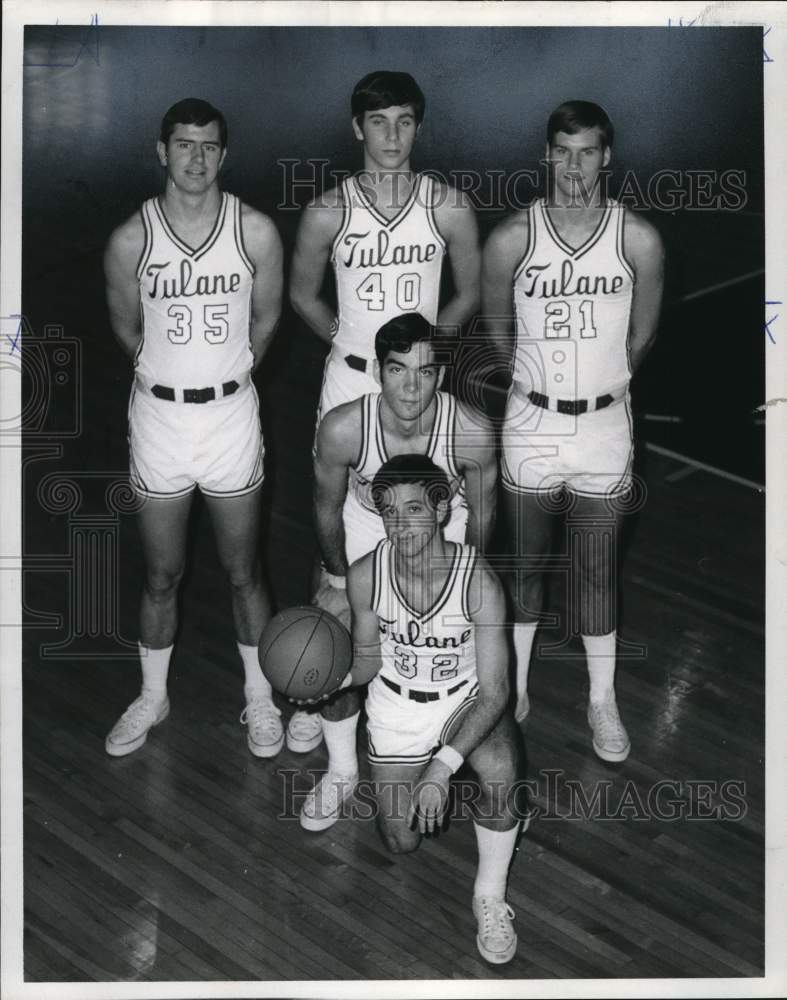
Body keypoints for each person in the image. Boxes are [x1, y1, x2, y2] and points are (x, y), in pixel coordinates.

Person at [287, 70, 481, 756]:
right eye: (378, 122)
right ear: (356, 128)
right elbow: (303, 295)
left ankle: (436, 676)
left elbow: (467, 293)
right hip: (349, 387)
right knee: (341, 532)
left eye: (403, 122)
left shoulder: (448, 206)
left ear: (418, 127)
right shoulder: (327, 212)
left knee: (431, 524)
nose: (391, 136)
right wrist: (353, 348)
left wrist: (421, 363)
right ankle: (318, 678)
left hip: (418, 391)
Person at [482, 100, 664, 760]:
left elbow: (642, 332)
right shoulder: (511, 238)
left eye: (587, 151)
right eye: (562, 150)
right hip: (531, 423)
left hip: (605, 428)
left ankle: (600, 700)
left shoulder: (636, 238)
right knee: (527, 567)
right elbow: (495, 328)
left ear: (606, 156)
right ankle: (515, 686)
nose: (574, 165)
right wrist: (535, 387)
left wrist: (600, 387)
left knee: (594, 570)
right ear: (546, 154)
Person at [103, 98, 285, 758]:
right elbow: (126, 327)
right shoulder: (131, 239)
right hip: (159, 419)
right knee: (161, 574)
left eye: (209, 146)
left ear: (224, 155)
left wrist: (225, 376)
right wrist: (170, 377)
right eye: (184, 145)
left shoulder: (255, 231)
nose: (196, 158)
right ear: (161, 151)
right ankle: (153, 696)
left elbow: (266, 322)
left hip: (231, 416)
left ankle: (260, 700)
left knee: (244, 572)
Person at [293, 312, 497, 832]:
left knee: (450, 647)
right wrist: (337, 581)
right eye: (398, 370)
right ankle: (342, 769)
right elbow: (324, 510)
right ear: (379, 372)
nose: (411, 386)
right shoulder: (343, 428)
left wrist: (464, 596)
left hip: (442, 537)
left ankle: (446, 737)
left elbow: (483, 524)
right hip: (367, 531)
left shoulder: (470, 432)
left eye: (426, 372)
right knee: (333, 628)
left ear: (442, 376)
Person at [343, 454, 523, 965]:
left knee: (503, 768)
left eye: (415, 509)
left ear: (442, 510)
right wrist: (330, 681)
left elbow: (495, 692)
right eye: (390, 512)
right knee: (402, 843)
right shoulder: (365, 576)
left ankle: (490, 894)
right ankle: (457, 783)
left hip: (462, 702)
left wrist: (442, 768)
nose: (401, 526)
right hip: (398, 708)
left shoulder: (478, 581)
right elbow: (366, 660)